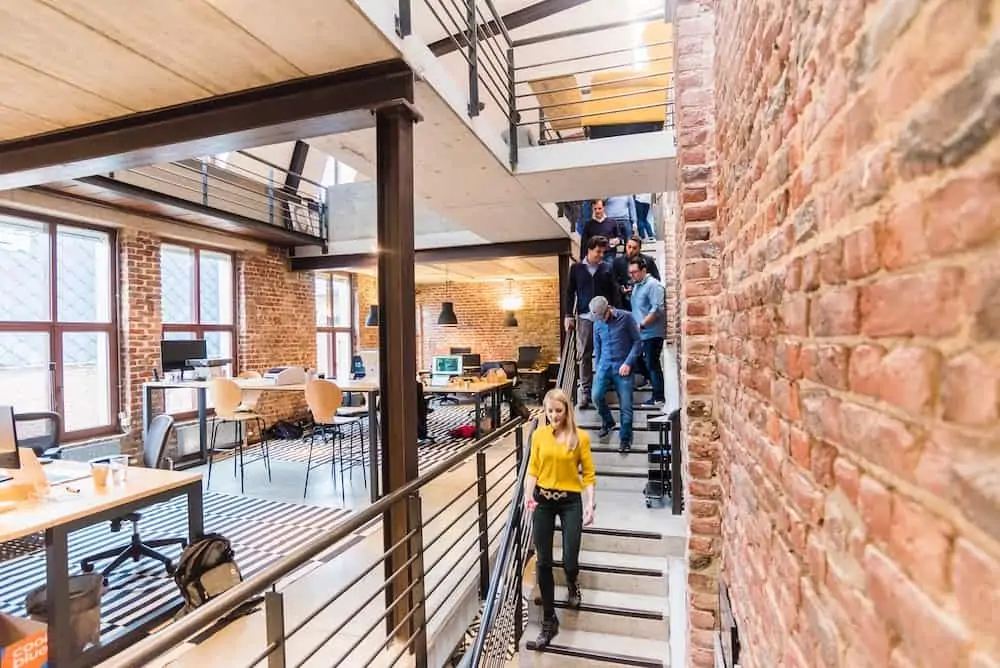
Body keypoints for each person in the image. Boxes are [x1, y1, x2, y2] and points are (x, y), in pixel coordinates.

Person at [525, 388, 596, 649]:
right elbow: (533, 468)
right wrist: (528, 494)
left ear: (567, 411)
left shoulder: (580, 438)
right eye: (550, 411)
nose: (554, 415)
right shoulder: (539, 436)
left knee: (569, 558)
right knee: (543, 561)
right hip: (543, 500)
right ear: (545, 411)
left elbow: (588, 475)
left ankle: (572, 582)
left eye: (558, 410)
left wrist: (590, 503)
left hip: (570, 502)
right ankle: (549, 620)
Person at [564, 237, 619, 409]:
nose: (601, 255)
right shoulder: (576, 269)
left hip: (604, 319)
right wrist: (568, 315)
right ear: (589, 250)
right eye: (598, 251)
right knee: (585, 355)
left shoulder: (607, 268)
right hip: (584, 318)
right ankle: (585, 393)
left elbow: (614, 291)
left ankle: (601, 391)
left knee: (604, 355)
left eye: (603, 252)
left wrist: (614, 309)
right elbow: (569, 293)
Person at [589, 295, 641, 452]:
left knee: (625, 405)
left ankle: (625, 439)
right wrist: (598, 367)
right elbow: (597, 347)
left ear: (609, 309)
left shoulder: (626, 318)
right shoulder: (597, 323)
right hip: (604, 366)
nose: (601, 320)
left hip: (623, 367)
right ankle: (608, 421)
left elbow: (638, 342)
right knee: (596, 396)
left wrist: (628, 363)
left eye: (602, 316)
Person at [629, 256, 667, 407]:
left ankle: (658, 397)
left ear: (644, 270)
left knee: (652, 363)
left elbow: (657, 309)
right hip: (639, 334)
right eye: (630, 273)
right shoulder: (637, 286)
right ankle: (653, 383)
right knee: (637, 360)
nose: (632, 275)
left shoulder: (653, 285)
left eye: (635, 272)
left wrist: (642, 325)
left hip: (652, 332)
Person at [612, 236, 661, 309]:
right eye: (629, 247)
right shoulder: (617, 262)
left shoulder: (648, 261)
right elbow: (613, 280)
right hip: (625, 300)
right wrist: (620, 288)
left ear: (639, 249)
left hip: (644, 299)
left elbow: (656, 278)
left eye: (634, 248)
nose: (631, 250)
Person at [579, 199, 626, 264]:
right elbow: (584, 243)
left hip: (609, 254)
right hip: (594, 255)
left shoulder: (612, 222)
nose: (597, 211)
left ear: (604, 208)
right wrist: (582, 259)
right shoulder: (588, 225)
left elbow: (619, 236)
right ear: (592, 209)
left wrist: (617, 240)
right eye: (595, 209)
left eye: (599, 208)